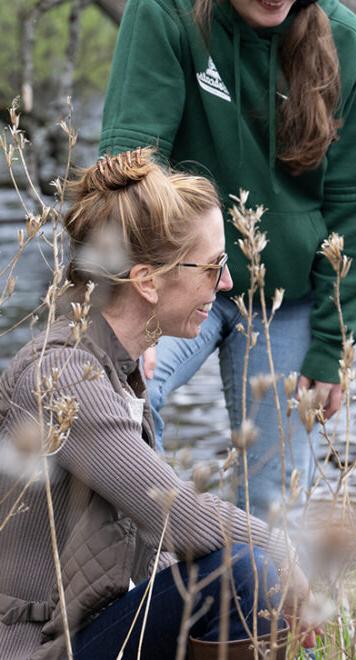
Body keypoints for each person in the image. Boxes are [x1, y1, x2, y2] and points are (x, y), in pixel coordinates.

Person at [97, 0, 356, 517]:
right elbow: (131, 164)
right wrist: (127, 296)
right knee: (111, 400)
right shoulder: (165, 6)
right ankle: (139, 587)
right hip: (176, 276)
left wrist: (334, 346)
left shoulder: (348, 42)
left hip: (290, 294)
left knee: (276, 500)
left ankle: (256, 608)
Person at [0, 149, 317, 659]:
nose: (228, 283)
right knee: (244, 571)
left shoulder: (116, 374)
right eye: (213, 267)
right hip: (31, 647)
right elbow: (181, 517)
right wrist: (284, 549)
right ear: (147, 280)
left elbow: (157, 546)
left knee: (240, 573)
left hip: (82, 628)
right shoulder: (63, 375)